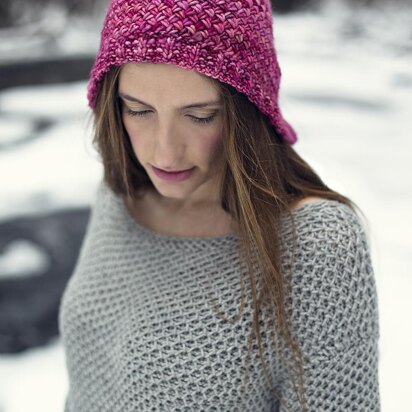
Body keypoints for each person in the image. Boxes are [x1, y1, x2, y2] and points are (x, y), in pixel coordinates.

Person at [58, 0, 381, 411]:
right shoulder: (118, 197)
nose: (165, 153)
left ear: (248, 110)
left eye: (200, 116)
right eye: (139, 111)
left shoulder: (317, 246)